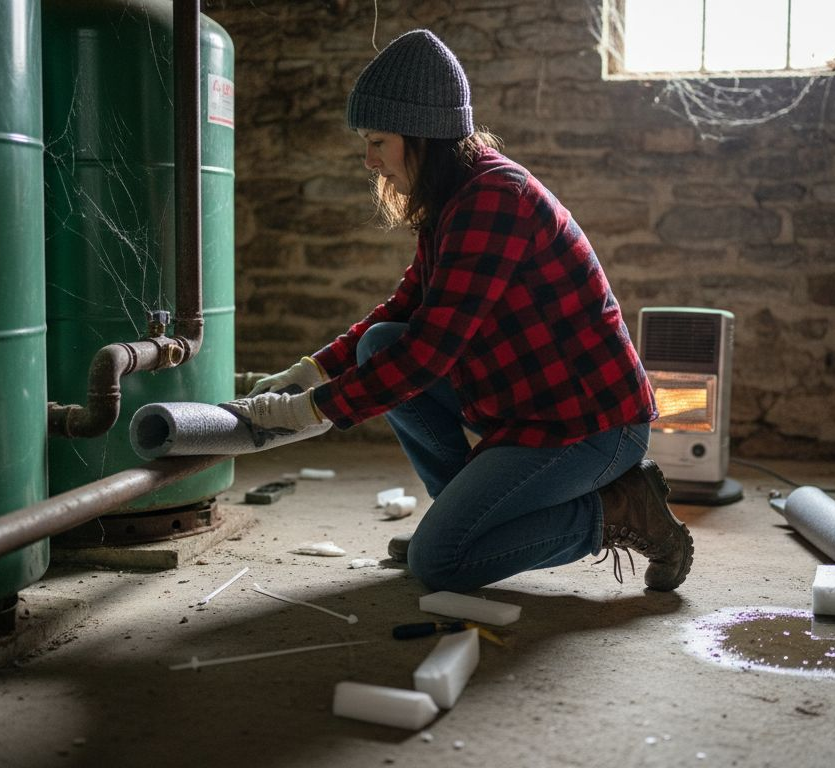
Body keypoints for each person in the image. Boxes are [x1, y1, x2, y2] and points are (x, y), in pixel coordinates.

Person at [220, 29, 692, 594]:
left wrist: (307, 412)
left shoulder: (495, 197)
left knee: (439, 564)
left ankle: (620, 508)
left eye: (378, 142)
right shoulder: (452, 197)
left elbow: (428, 353)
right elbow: (404, 308)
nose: (370, 161)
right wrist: (310, 370)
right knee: (378, 344)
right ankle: (465, 524)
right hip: (529, 411)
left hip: (592, 426)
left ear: (421, 135)